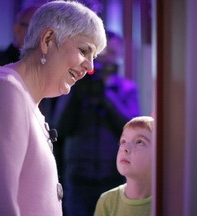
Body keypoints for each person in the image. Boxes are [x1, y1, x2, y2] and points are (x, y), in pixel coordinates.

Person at [0, 1, 107, 215]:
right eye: (83, 51)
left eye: (94, 57)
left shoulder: (22, 98)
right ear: (48, 39)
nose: (90, 67)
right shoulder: (1, 92)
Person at [53, 30, 140, 216]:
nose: (107, 60)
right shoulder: (75, 85)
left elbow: (132, 129)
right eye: (104, 54)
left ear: (121, 56)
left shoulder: (126, 89)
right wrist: (76, 92)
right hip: (78, 177)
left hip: (114, 176)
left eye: (113, 54)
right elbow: (60, 127)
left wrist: (106, 96)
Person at [94, 116, 154, 216]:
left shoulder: (169, 203)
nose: (124, 148)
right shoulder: (107, 201)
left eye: (139, 142)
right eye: (123, 141)